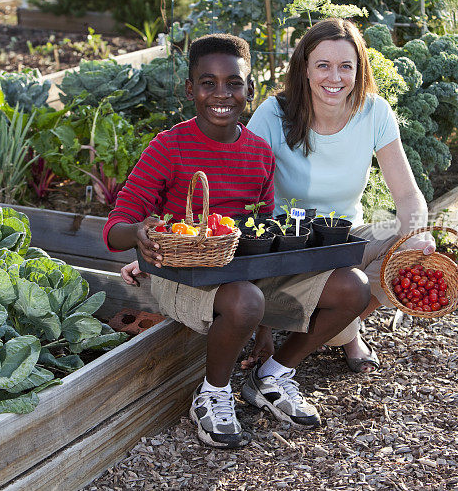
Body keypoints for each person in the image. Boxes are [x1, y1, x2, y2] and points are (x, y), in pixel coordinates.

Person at [105, 33, 371, 449]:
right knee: (245, 299)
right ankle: (212, 394)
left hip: (248, 280)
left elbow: (262, 245)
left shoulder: (258, 154)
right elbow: (116, 225)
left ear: (250, 89)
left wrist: (264, 328)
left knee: (353, 286)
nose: (221, 94)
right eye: (208, 83)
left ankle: (272, 376)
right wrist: (138, 233)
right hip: (185, 280)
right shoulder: (169, 147)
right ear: (190, 89)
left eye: (234, 83)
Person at [244, 17, 436, 373]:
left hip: (348, 240)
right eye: (323, 66)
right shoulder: (274, 114)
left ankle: (344, 328)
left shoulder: (374, 111)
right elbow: (242, 195)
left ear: (358, 69)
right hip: (289, 245)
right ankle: (271, 328)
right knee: (257, 240)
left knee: (411, 247)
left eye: (345, 66)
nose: (335, 78)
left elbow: (409, 195)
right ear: (304, 68)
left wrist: (420, 233)